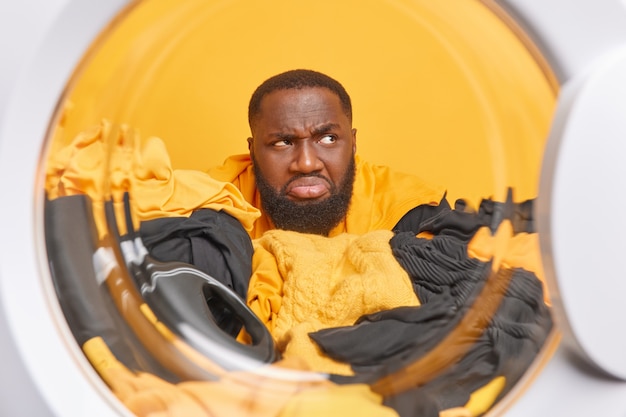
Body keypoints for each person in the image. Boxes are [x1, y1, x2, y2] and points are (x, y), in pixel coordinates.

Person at [209, 69, 446, 238]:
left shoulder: (414, 209)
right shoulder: (215, 202)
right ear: (252, 151)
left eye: (327, 139)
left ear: (353, 144)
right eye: (283, 142)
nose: (306, 164)